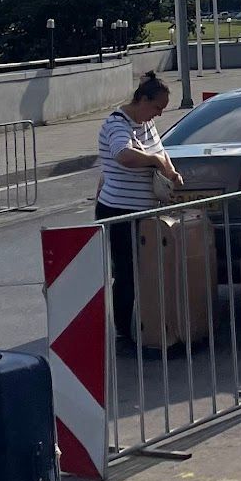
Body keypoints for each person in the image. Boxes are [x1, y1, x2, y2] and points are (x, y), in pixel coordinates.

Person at [97, 72, 184, 345]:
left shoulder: (146, 124)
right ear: (143, 99)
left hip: (144, 212)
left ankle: (144, 324)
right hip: (119, 211)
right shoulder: (117, 124)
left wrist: (170, 172)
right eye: (157, 107)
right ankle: (123, 331)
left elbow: (160, 151)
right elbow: (123, 155)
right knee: (126, 272)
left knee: (144, 270)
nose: (158, 114)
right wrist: (156, 162)